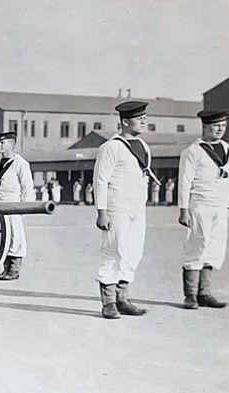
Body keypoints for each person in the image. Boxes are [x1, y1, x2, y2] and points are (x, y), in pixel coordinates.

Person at [93, 100, 156, 319]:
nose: (144, 122)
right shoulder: (111, 146)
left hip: (137, 208)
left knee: (132, 251)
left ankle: (123, 298)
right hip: (116, 207)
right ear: (125, 121)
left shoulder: (144, 146)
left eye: (145, 118)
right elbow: (100, 180)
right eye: (140, 119)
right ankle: (108, 302)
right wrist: (102, 211)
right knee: (113, 250)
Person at [177, 110, 229, 310]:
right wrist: (183, 209)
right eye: (216, 125)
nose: (220, 129)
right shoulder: (193, 151)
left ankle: (205, 292)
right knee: (197, 245)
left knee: (215, 248)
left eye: (223, 125)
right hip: (200, 205)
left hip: (220, 206)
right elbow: (184, 182)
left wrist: (228, 207)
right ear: (205, 126)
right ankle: (190, 294)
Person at [0, 132, 35, 281]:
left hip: (13, 204)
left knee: (15, 236)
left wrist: (23, 208)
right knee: (0, 236)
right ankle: (5, 268)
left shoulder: (21, 163)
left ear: (11, 145)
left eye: (3, 143)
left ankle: (14, 270)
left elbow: (27, 187)